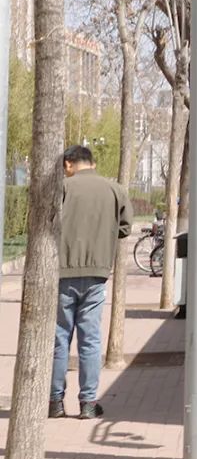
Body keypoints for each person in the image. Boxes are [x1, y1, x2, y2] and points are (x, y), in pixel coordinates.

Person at [50, 145, 132, 420]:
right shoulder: (114, 189)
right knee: (90, 340)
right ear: (92, 163)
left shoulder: (62, 188)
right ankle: (88, 403)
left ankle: (55, 402)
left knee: (60, 338)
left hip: (62, 272)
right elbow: (125, 227)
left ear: (69, 163)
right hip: (97, 273)